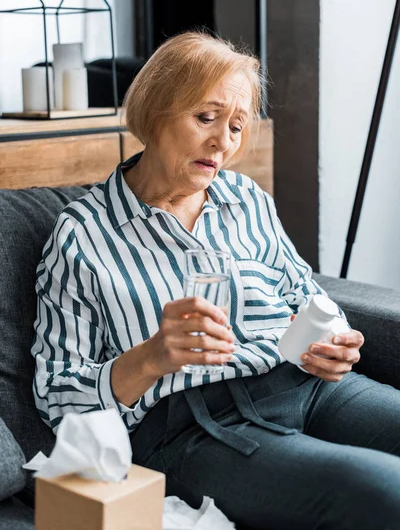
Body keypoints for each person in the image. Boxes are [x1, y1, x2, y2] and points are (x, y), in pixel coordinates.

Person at [32, 31, 400, 530]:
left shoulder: (246, 200)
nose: (223, 141)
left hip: (306, 384)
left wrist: (336, 341)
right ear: (155, 111)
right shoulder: (81, 236)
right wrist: (152, 355)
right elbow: (57, 398)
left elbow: (304, 292)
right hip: (194, 427)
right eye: (205, 118)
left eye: (235, 126)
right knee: (383, 490)